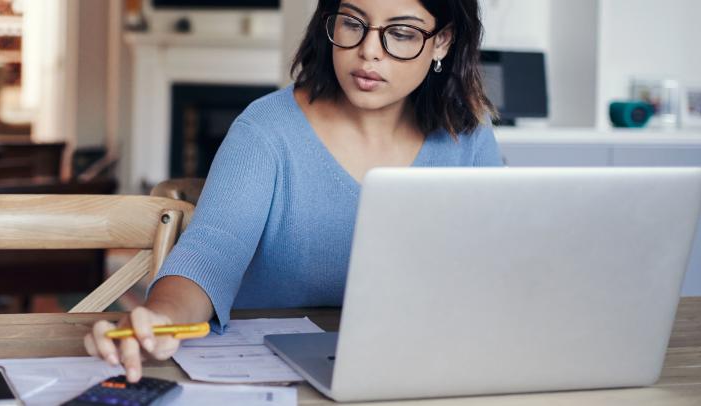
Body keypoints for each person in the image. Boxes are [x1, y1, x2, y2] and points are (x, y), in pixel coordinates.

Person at [84, 0, 501, 382]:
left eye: (402, 33)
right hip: (270, 378)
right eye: (353, 23)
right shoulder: (265, 130)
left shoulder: (468, 136)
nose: (369, 50)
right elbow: (211, 251)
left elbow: (492, 270)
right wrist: (160, 317)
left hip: (414, 371)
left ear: (442, 42)